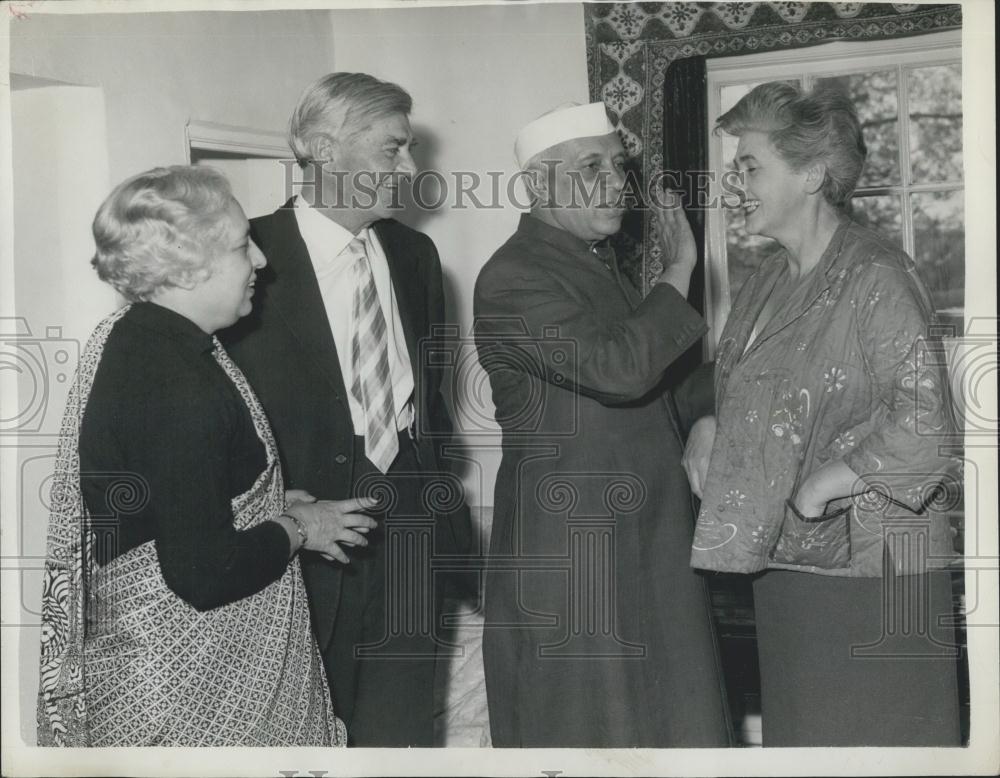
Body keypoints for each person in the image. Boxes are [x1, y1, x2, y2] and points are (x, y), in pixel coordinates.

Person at [36, 165, 373, 746]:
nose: (262, 262)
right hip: (186, 695)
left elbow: (165, 497)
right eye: (244, 245)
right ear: (189, 265)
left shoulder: (136, 338)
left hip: (156, 680)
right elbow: (203, 575)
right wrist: (299, 526)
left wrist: (261, 501)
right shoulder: (177, 381)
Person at [684, 82, 962, 746]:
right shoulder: (765, 282)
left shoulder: (878, 277)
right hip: (786, 566)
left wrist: (825, 483)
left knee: (876, 744)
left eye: (750, 167)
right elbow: (741, 390)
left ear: (811, 173)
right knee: (807, 742)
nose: (734, 183)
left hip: (872, 574)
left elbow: (926, 425)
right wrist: (705, 422)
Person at [220, 72, 472, 747]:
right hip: (299, 545)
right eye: (394, 150)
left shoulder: (415, 255)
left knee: (404, 738)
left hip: (410, 537)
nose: (412, 169)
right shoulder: (244, 255)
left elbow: (428, 400)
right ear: (324, 149)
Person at [473, 102, 733, 747]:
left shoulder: (592, 265)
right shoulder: (513, 276)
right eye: (591, 167)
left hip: (644, 536)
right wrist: (679, 269)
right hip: (575, 546)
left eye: (619, 165)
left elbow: (661, 394)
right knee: (587, 727)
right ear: (538, 185)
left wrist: (729, 398)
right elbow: (620, 370)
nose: (616, 181)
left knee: (666, 721)